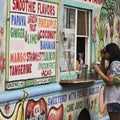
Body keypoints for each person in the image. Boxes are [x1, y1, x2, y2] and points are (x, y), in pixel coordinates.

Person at [93, 43, 120, 120]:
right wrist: (102, 58)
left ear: (110, 53)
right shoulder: (115, 63)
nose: (104, 54)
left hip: (115, 98)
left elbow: (110, 81)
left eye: (105, 52)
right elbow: (105, 73)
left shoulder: (115, 64)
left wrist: (98, 71)